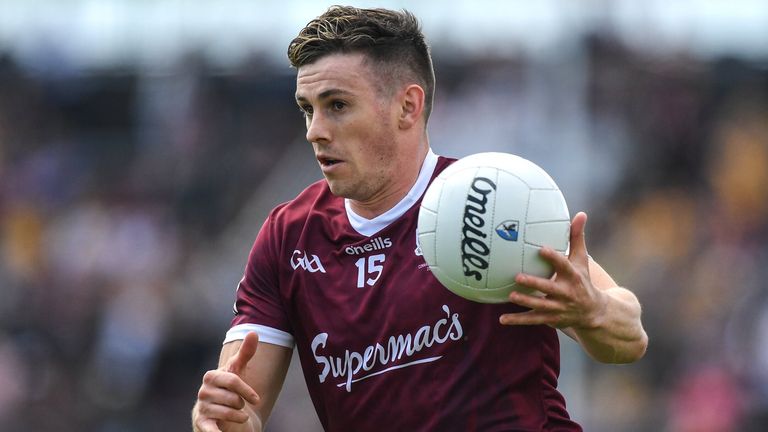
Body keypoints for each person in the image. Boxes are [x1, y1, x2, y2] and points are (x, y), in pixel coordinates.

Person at [192, 6, 648, 432]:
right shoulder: (289, 236)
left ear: (408, 106)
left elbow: (628, 338)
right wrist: (220, 417)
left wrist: (594, 311)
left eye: (337, 105)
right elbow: (240, 403)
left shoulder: (493, 200)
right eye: (307, 108)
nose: (315, 130)